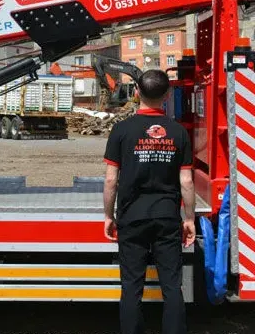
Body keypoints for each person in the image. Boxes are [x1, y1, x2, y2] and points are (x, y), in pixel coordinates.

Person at [103, 69, 196, 334]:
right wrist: (189, 219)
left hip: (132, 217)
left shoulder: (122, 130)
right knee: (171, 287)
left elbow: (111, 181)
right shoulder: (178, 132)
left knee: (131, 287)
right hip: (167, 217)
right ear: (167, 95)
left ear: (135, 93)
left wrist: (109, 216)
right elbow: (186, 182)